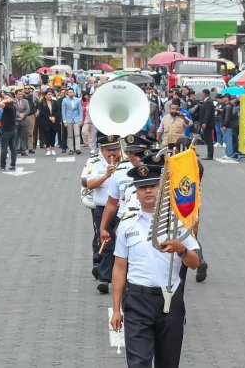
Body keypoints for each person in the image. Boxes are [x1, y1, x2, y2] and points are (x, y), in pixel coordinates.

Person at [108, 153, 201, 368]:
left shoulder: (178, 223)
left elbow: (195, 263)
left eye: (152, 185)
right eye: (142, 187)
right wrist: (115, 309)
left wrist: (181, 249)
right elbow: (119, 268)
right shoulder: (127, 225)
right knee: (138, 363)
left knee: (168, 363)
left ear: (162, 189)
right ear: (136, 193)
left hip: (169, 301)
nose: (148, 190)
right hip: (137, 300)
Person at [98, 138, 146, 294]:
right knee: (123, 260)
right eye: (134, 153)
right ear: (129, 154)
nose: (137, 157)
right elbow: (111, 204)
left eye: (141, 153)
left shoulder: (158, 171)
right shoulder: (119, 173)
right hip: (125, 223)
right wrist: (103, 227)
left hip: (150, 221)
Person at [83, 136, 122, 280]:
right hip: (101, 209)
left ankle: (119, 275)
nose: (112, 153)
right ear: (101, 150)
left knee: (122, 241)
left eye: (115, 149)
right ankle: (105, 278)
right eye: (108, 150)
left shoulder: (125, 163)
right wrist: (106, 175)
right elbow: (88, 184)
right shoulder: (94, 162)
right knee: (106, 242)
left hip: (121, 210)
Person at [0, 94, 20, 170]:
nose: (4, 100)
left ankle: (2, 166)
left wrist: (7, 99)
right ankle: (13, 165)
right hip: (12, 130)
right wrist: (8, 99)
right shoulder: (12, 107)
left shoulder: (9, 107)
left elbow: (0, 104)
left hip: (6, 131)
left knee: (4, 149)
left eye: (6, 99)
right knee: (13, 148)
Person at [37, 90, 60, 155]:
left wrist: (54, 117)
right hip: (45, 121)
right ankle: (48, 149)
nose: (50, 96)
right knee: (47, 135)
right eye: (48, 94)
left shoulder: (55, 102)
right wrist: (49, 117)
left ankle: (52, 148)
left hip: (54, 121)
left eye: (51, 94)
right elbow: (42, 112)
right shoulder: (42, 103)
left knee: (53, 135)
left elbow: (57, 111)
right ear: (45, 96)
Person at [62, 86, 84, 154]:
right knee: (70, 135)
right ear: (67, 93)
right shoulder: (65, 100)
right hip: (68, 119)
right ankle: (71, 149)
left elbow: (80, 111)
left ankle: (77, 149)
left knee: (77, 134)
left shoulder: (77, 100)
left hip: (76, 119)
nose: (70, 93)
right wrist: (64, 121)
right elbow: (63, 111)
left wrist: (81, 120)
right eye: (69, 92)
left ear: (74, 93)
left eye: (72, 92)